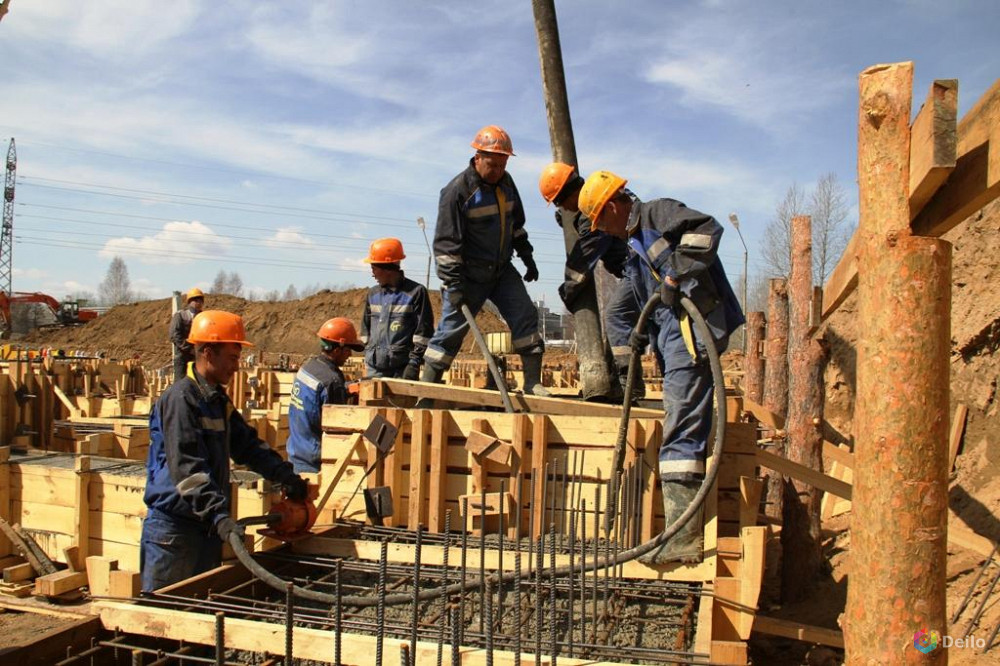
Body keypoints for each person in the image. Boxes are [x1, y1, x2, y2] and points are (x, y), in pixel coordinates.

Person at [578, 170, 745, 564]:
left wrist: (676, 273)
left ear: (617, 205)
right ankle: (677, 533)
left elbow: (708, 230)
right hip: (673, 334)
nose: (603, 229)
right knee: (679, 421)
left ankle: (683, 539)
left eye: (603, 219)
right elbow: (648, 303)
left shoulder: (657, 214)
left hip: (693, 329)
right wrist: (642, 337)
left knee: (682, 427)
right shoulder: (634, 245)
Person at [141, 310, 307, 592]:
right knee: (163, 618)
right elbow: (188, 469)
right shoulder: (181, 400)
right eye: (232, 357)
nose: (237, 366)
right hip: (175, 532)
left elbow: (247, 445)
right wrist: (218, 515)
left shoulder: (215, 399)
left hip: (204, 527)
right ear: (207, 352)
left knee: (198, 619)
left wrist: (285, 476)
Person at [422, 125, 549, 396]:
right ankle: (428, 391)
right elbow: (446, 244)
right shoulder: (457, 191)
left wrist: (526, 255)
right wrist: (453, 284)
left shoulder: (507, 183)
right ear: (477, 158)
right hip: (468, 275)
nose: (498, 171)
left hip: (502, 271)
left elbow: (516, 224)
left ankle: (532, 383)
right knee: (450, 332)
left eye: (503, 164)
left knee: (526, 315)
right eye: (493, 165)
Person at [539, 162, 649, 402]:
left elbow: (581, 263)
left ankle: (630, 385)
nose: (562, 209)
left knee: (616, 317)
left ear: (567, 194)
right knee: (617, 330)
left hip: (640, 268)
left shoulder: (592, 214)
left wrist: (567, 292)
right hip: (640, 264)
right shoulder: (599, 193)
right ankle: (615, 386)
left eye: (559, 202)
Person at [286, 318, 365, 473]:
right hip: (316, 462)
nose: (349, 355)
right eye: (348, 350)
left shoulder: (309, 367)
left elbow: (315, 401)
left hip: (297, 451)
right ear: (337, 350)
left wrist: (346, 390)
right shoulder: (332, 381)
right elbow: (338, 429)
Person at [360, 238, 434, 380]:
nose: (373, 274)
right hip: (374, 367)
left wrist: (413, 364)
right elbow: (365, 330)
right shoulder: (372, 294)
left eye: (374, 269)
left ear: (387, 269)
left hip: (403, 369)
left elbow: (423, 334)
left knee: (401, 403)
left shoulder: (416, 293)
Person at [169, 288, 204, 382]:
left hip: (198, 357)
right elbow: (174, 335)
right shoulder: (181, 315)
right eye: (196, 300)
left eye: (200, 300)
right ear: (189, 301)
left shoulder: (204, 317)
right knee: (180, 384)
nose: (199, 303)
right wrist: (189, 349)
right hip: (182, 357)